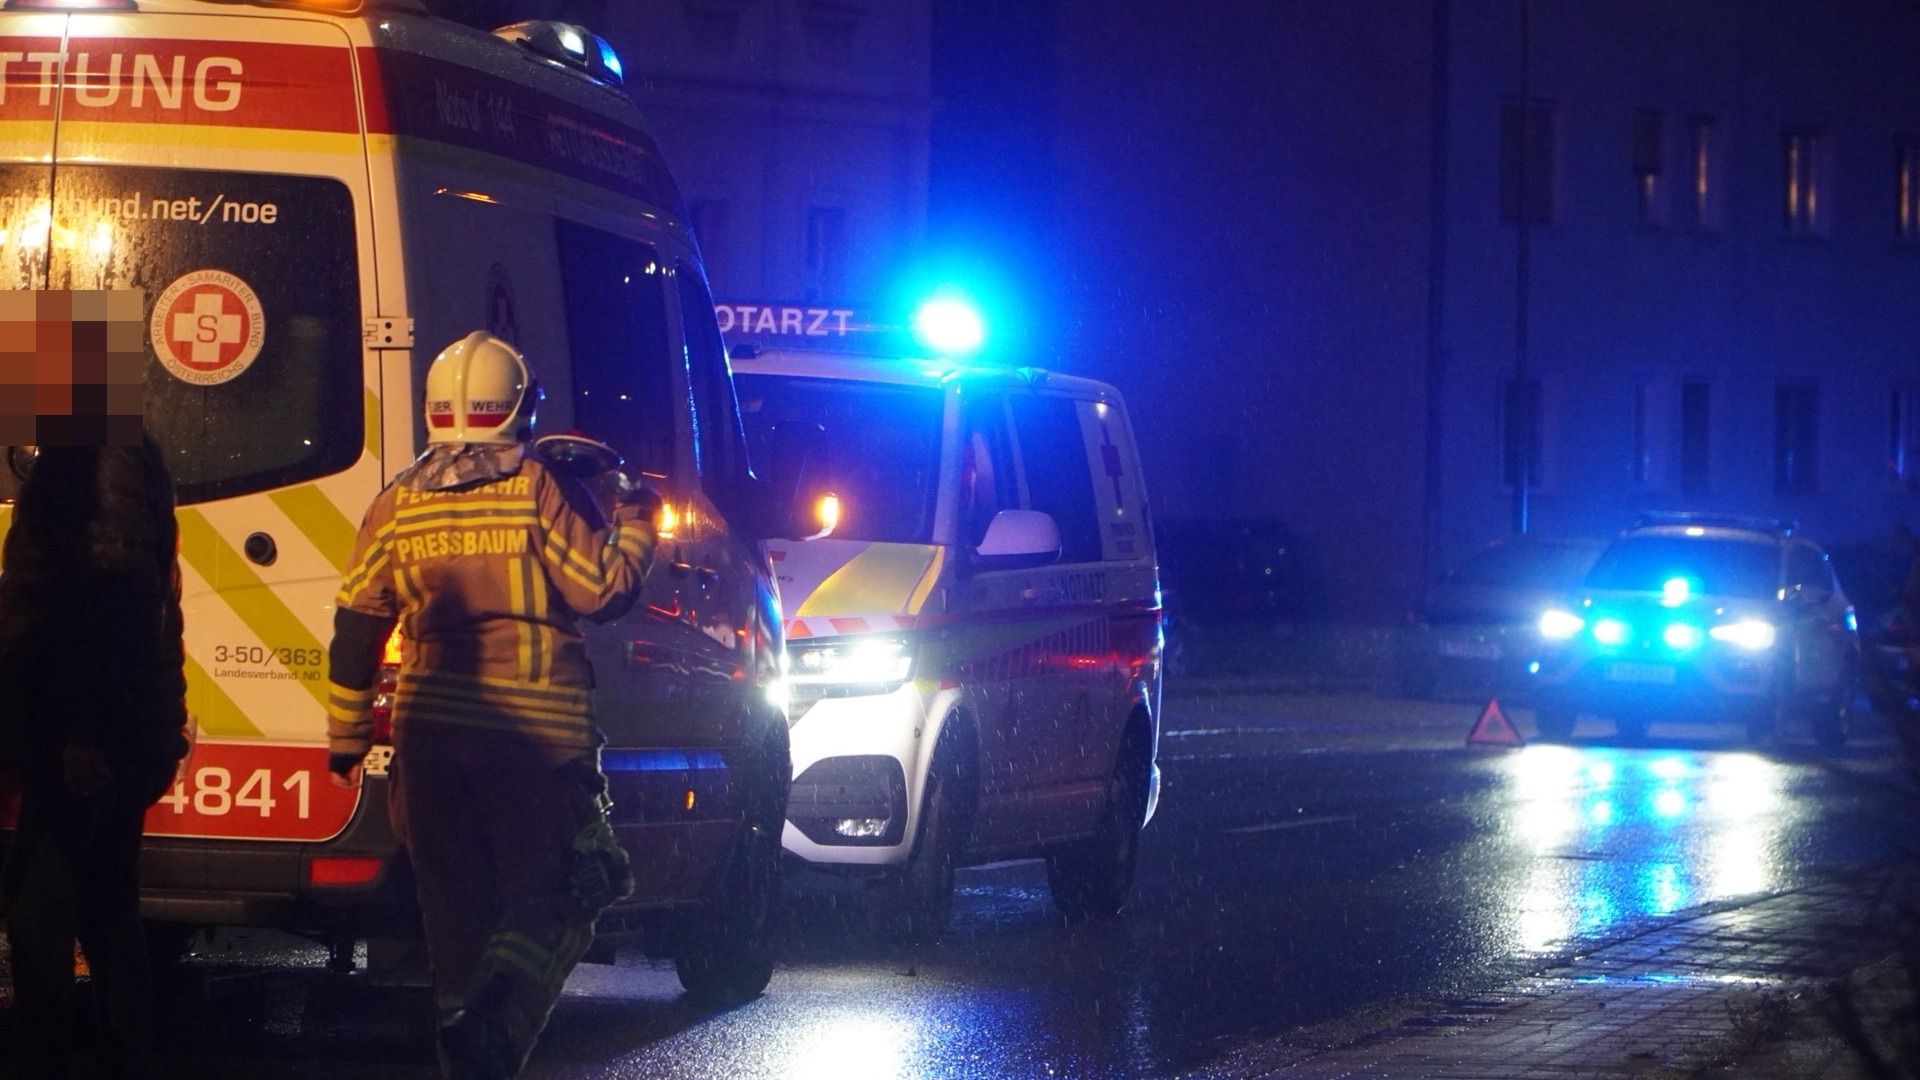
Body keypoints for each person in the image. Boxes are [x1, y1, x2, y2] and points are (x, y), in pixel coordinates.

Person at [323, 331, 657, 1080]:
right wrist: (638, 523)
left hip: (430, 748)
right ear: (521, 408)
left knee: (456, 921)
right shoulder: (536, 487)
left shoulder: (397, 502)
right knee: (562, 895)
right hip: (535, 742)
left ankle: (462, 1049)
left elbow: (354, 627)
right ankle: (495, 1028)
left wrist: (346, 739)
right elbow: (599, 590)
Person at [0, 435, 189, 1080]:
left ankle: (44, 1060)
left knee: (37, 904)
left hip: (91, 730)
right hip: (116, 723)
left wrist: (84, 732)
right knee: (105, 899)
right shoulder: (113, 455)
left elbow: (115, 599)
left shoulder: (95, 460)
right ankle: (124, 1057)